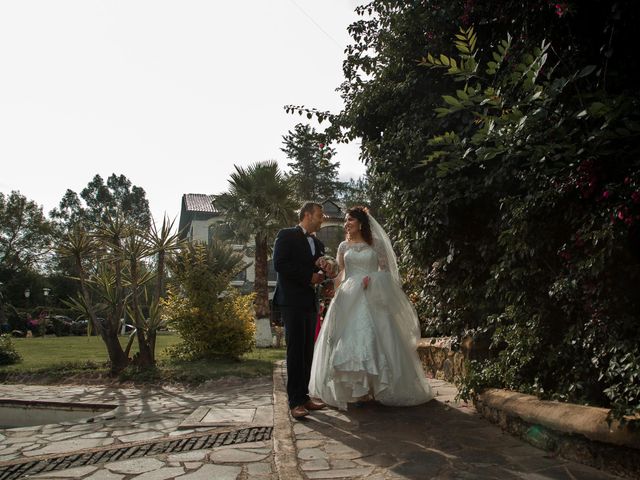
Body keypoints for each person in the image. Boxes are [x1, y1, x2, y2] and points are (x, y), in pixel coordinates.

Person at [309, 206, 434, 410]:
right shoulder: (343, 247)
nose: (346, 224)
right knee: (348, 338)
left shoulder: (375, 244)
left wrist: (372, 280)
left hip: (370, 294)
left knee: (374, 337)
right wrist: (331, 277)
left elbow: (385, 271)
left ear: (360, 223)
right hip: (348, 296)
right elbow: (342, 274)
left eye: (350, 220)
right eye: (345, 221)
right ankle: (358, 390)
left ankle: (376, 388)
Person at [273, 202, 328, 419]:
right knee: (295, 351)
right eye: (319, 215)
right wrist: (308, 276)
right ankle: (295, 402)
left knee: (307, 351)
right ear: (307, 215)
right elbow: (280, 264)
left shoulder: (318, 243)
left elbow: (317, 271)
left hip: (310, 302)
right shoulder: (286, 235)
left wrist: (325, 278)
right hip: (291, 301)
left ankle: (304, 396)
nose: (322, 219)